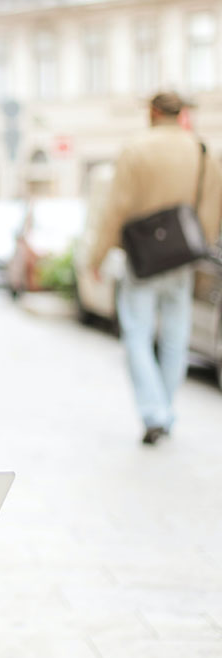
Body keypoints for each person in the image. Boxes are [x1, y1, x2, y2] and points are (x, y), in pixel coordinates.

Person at [90, 91, 222, 446]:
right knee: (176, 338)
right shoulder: (202, 151)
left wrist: (97, 257)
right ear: (180, 114)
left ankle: (153, 413)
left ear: (152, 112)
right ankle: (164, 409)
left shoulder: (136, 149)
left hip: (143, 259)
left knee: (137, 333)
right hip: (182, 260)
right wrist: (197, 248)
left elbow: (115, 208)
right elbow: (212, 209)